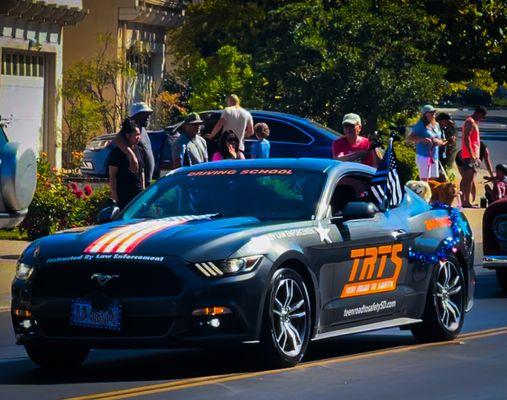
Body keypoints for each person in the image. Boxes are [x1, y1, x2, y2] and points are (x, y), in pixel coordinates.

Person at [114, 102, 154, 187]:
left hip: (145, 181)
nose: (148, 117)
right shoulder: (129, 131)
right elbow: (117, 139)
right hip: (135, 183)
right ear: (136, 115)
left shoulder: (142, 130)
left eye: (148, 114)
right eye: (145, 114)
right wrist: (133, 156)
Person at [109, 118, 145, 210]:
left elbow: (142, 171)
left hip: (137, 192)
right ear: (128, 136)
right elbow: (112, 175)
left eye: (139, 135)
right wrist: (114, 193)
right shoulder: (117, 152)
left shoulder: (139, 150)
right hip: (123, 193)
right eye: (136, 135)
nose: (138, 137)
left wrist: (143, 190)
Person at [408, 105, 447, 181]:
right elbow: (410, 137)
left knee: (433, 180)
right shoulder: (420, 125)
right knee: (425, 181)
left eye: (434, 112)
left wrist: (438, 142)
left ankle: (431, 193)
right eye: (431, 112)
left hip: (434, 156)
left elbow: (441, 140)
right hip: (423, 156)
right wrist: (422, 139)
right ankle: (425, 193)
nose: (433, 113)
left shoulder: (436, 125)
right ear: (425, 114)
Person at [460, 106, 487, 207]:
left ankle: (464, 201)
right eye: (482, 116)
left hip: (472, 155)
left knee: (467, 178)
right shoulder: (470, 122)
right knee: (468, 179)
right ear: (478, 113)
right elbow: (467, 138)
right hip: (469, 155)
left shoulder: (473, 122)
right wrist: (472, 155)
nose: (482, 118)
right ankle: (466, 202)